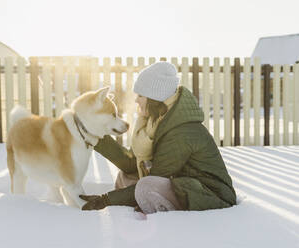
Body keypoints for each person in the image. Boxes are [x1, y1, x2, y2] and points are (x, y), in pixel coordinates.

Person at [79, 62, 236, 214]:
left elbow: (157, 177)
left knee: (146, 186)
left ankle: (161, 219)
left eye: (140, 95)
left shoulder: (182, 132)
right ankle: (132, 209)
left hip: (210, 195)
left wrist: (105, 200)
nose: (136, 100)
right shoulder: (153, 124)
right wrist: (98, 138)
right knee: (126, 176)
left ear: (154, 98)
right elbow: (131, 164)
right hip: (184, 186)